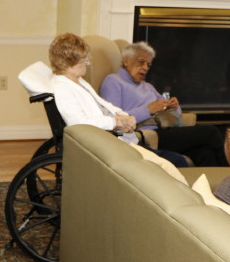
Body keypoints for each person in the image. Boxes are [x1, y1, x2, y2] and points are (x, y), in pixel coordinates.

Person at [48, 33, 188, 167]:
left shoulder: (78, 81)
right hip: (108, 142)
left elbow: (105, 105)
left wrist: (124, 117)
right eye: (84, 59)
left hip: (119, 136)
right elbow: (78, 124)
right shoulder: (63, 88)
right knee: (176, 162)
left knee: (178, 159)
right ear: (70, 60)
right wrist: (115, 122)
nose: (88, 63)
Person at [99, 41, 227, 166]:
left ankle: (211, 186)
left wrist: (175, 107)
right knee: (210, 132)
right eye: (141, 62)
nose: (145, 68)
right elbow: (114, 119)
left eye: (148, 65)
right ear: (126, 61)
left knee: (205, 154)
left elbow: (175, 116)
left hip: (165, 128)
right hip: (148, 135)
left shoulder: (147, 86)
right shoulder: (113, 81)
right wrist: (147, 109)